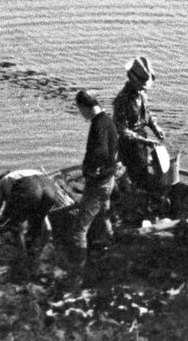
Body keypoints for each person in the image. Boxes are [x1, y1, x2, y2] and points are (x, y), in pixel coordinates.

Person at [0, 167, 77, 259]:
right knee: (36, 226)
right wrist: (41, 247)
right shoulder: (19, 176)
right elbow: (47, 228)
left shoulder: (0, 185)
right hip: (49, 188)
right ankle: (34, 258)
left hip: (28, 187)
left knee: (7, 225)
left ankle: (20, 259)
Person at [71, 88, 119, 263]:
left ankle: (78, 269)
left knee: (79, 230)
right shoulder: (108, 121)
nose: (81, 113)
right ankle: (111, 251)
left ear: (84, 107)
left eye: (80, 109)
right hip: (109, 179)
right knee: (103, 215)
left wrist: (91, 170)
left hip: (98, 183)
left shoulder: (98, 125)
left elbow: (100, 151)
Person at [112, 55, 168, 197]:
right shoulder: (122, 99)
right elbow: (122, 129)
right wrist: (144, 141)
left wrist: (155, 128)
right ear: (132, 79)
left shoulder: (142, 94)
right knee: (134, 176)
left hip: (141, 140)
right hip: (128, 145)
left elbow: (146, 114)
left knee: (142, 172)